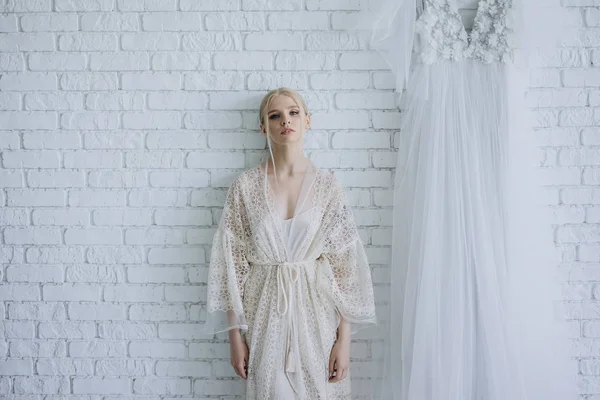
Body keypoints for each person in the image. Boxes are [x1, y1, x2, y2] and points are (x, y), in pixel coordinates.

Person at [204, 87, 377, 399]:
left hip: (317, 314)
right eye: (275, 115)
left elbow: (346, 266)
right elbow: (231, 267)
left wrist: (344, 339)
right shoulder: (245, 188)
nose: (286, 120)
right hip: (264, 313)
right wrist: (235, 337)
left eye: (293, 112)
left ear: (307, 120)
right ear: (264, 127)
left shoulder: (327, 187)